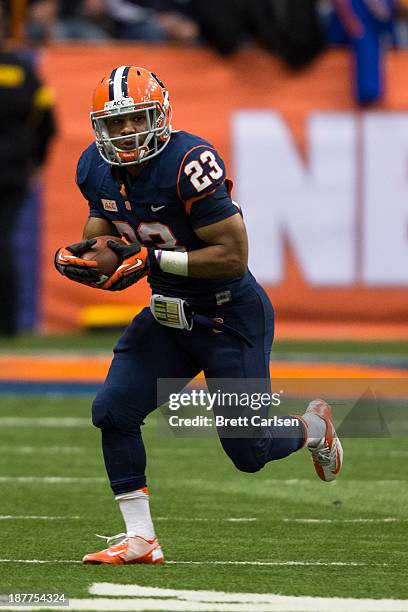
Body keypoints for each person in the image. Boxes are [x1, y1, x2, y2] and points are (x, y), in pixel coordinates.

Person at [54, 65, 343, 565]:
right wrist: (90, 254)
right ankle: (141, 539)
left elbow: (233, 255)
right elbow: (105, 227)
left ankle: (315, 428)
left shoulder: (190, 161)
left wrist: (152, 260)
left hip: (228, 317)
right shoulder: (94, 166)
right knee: (112, 412)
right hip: (167, 317)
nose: (125, 131)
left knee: (248, 453)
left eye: (136, 118)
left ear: (160, 116)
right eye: (115, 122)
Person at [0, 4, 56, 336]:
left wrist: (35, 163)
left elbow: (47, 123)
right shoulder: (21, 69)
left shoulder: (22, 69)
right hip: (14, 169)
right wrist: (36, 161)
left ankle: (7, 325)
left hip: (10, 173)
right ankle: (7, 326)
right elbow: (47, 125)